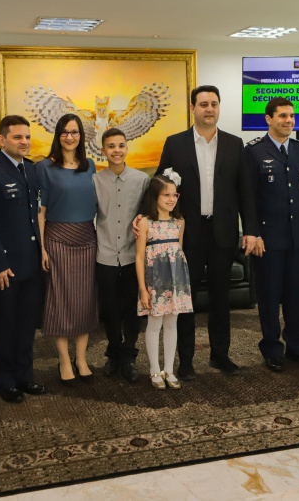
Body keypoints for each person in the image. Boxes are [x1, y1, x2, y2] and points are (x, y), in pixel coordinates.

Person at [153, 85, 258, 379]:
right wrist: (152, 221)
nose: (209, 109)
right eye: (203, 104)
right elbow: (160, 188)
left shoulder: (235, 144)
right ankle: (185, 360)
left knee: (221, 298)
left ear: (219, 107)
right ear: (193, 109)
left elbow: (245, 192)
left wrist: (250, 230)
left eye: (213, 104)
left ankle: (220, 355)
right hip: (189, 233)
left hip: (224, 232)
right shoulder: (175, 144)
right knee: (186, 299)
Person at [245, 97, 299, 372]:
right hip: (268, 239)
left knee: (296, 295)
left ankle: (298, 347)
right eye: (282, 116)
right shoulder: (254, 151)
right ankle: (272, 349)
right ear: (268, 119)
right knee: (269, 296)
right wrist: (253, 234)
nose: (288, 121)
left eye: (291, 116)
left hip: (296, 238)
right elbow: (249, 199)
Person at [0, 115, 48, 402]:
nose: (25, 142)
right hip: (4, 267)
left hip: (29, 263)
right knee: (4, 325)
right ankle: (5, 381)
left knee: (27, 324)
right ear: (2, 140)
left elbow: (33, 219)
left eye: (27, 137)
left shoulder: (30, 170)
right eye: (18, 137)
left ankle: (25, 375)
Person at [37, 113, 99, 385]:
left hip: (87, 237)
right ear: (57, 135)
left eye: (74, 132)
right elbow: (40, 211)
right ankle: (64, 359)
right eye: (64, 132)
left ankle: (81, 358)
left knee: (85, 300)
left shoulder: (91, 166)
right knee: (61, 301)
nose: (70, 137)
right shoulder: (44, 167)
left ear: (81, 136)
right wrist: (41, 248)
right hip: (57, 238)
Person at [93, 128, 150, 383]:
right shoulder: (94, 181)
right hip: (104, 254)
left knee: (132, 310)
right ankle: (113, 352)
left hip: (132, 256)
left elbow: (148, 214)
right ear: (102, 150)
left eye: (121, 145)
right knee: (109, 310)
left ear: (127, 147)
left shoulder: (141, 180)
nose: (116, 150)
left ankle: (129, 356)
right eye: (111, 146)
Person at [136, 174, 192, 389]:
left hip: (176, 280)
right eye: (166, 194)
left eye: (174, 194)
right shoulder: (145, 222)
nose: (171, 199)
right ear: (154, 196)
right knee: (154, 324)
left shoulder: (179, 222)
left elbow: (178, 252)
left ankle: (169, 369)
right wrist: (143, 289)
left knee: (172, 323)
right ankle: (154, 370)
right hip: (154, 282)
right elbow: (140, 257)